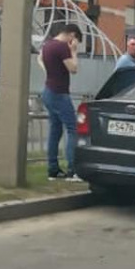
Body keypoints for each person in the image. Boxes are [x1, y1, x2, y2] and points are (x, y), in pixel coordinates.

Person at [39, 23, 82, 181]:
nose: (74, 42)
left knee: (55, 130)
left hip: (48, 91)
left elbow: (41, 61)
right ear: (72, 35)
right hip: (60, 93)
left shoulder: (47, 45)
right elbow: (73, 69)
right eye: (76, 39)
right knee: (72, 130)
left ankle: (53, 169)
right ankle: (72, 170)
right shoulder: (62, 47)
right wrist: (74, 51)